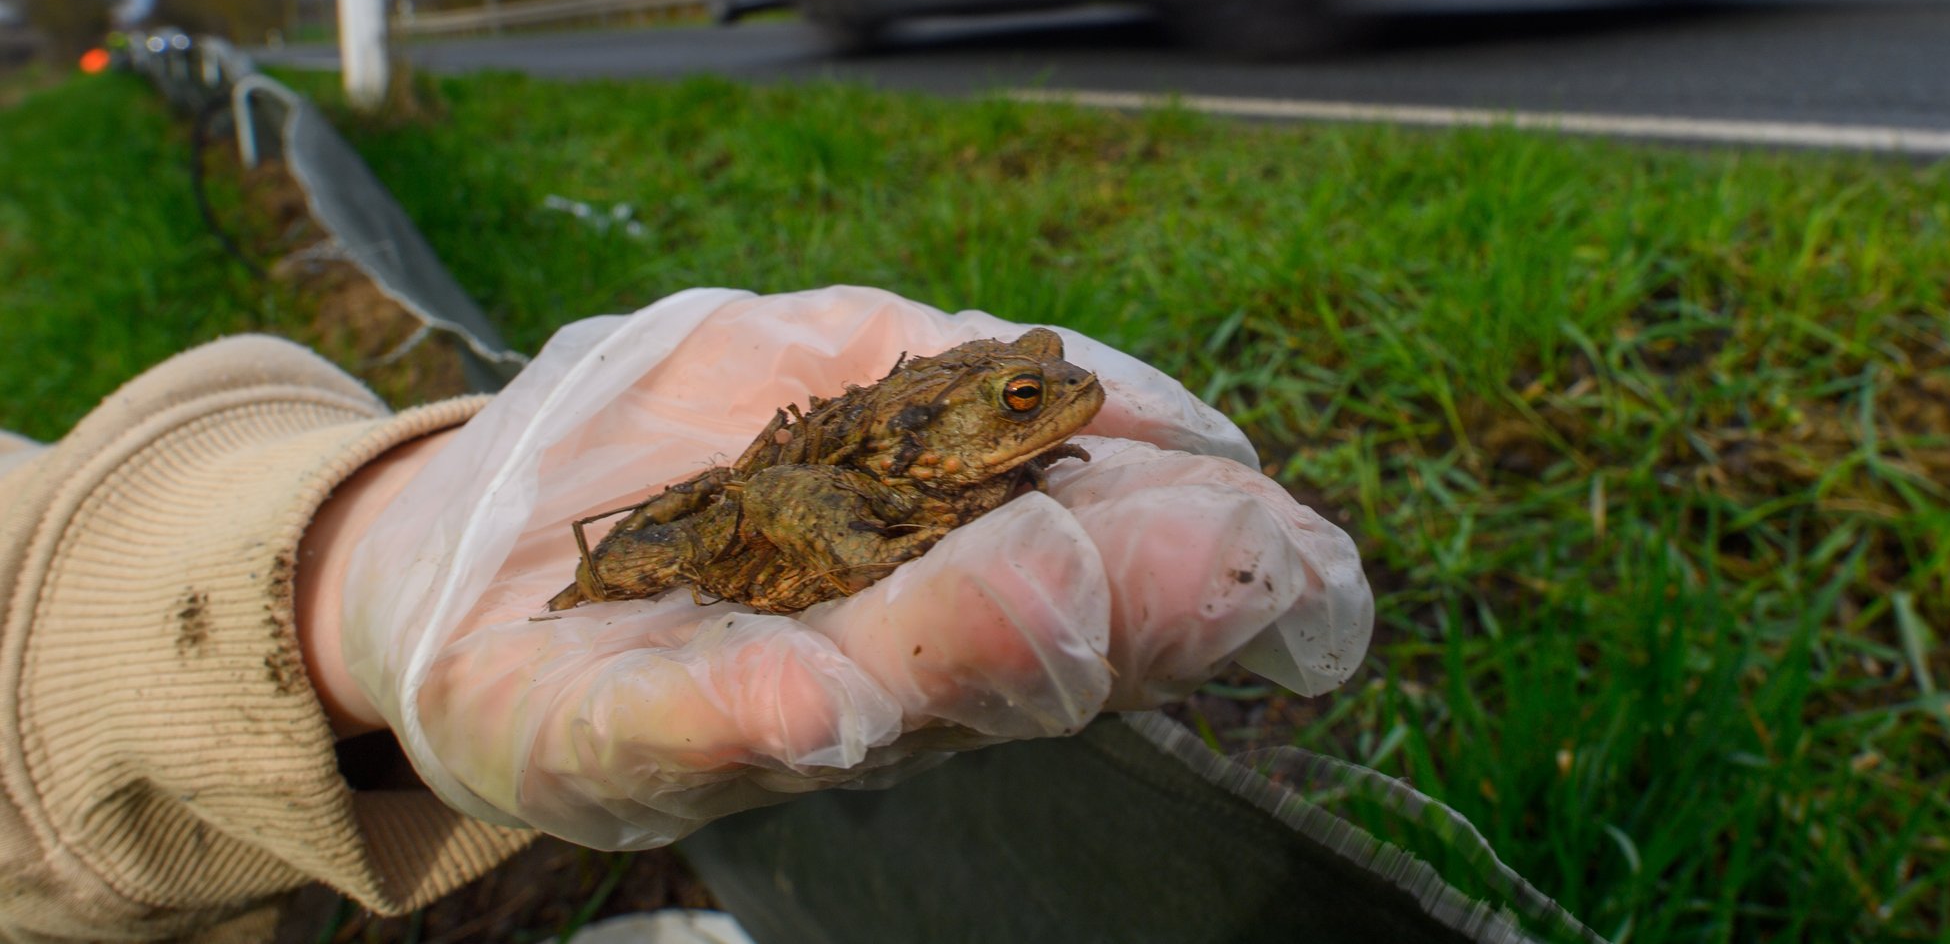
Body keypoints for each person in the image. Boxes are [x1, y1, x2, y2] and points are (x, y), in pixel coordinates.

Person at [0, 286, 1371, 943]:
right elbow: (799, 501)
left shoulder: (961, 428)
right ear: (960, 430)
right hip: (782, 508)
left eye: (1043, 387)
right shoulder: (901, 466)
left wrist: (327, 549)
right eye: (1022, 403)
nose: (1055, 407)